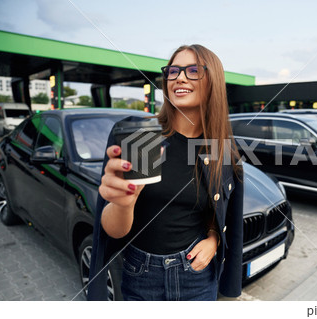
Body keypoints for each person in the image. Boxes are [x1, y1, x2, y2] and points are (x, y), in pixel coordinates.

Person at [87, 44, 244, 301]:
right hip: (141, 277)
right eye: (173, 71)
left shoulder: (219, 148)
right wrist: (124, 205)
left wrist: (214, 239)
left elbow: (223, 214)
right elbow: (112, 232)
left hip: (196, 277)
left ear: (213, 80)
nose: (179, 77)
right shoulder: (141, 137)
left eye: (193, 70)